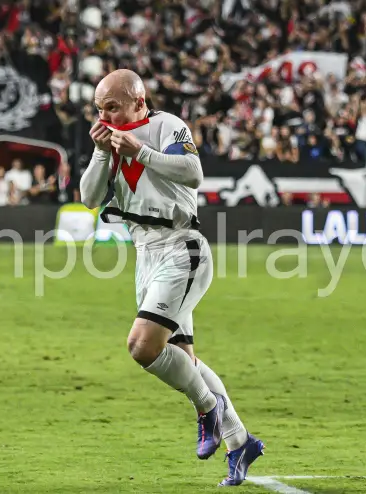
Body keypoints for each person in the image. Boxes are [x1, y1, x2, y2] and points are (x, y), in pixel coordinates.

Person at [79, 69, 264, 487]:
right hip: (145, 255)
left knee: (141, 346)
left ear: (138, 103)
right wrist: (102, 152)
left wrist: (139, 150)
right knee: (184, 359)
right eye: (99, 109)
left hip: (182, 247)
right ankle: (240, 441)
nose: (105, 115)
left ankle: (207, 410)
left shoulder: (167, 126)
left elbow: (193, 173)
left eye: (113, 107)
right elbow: (89, 198)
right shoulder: (108, 143)